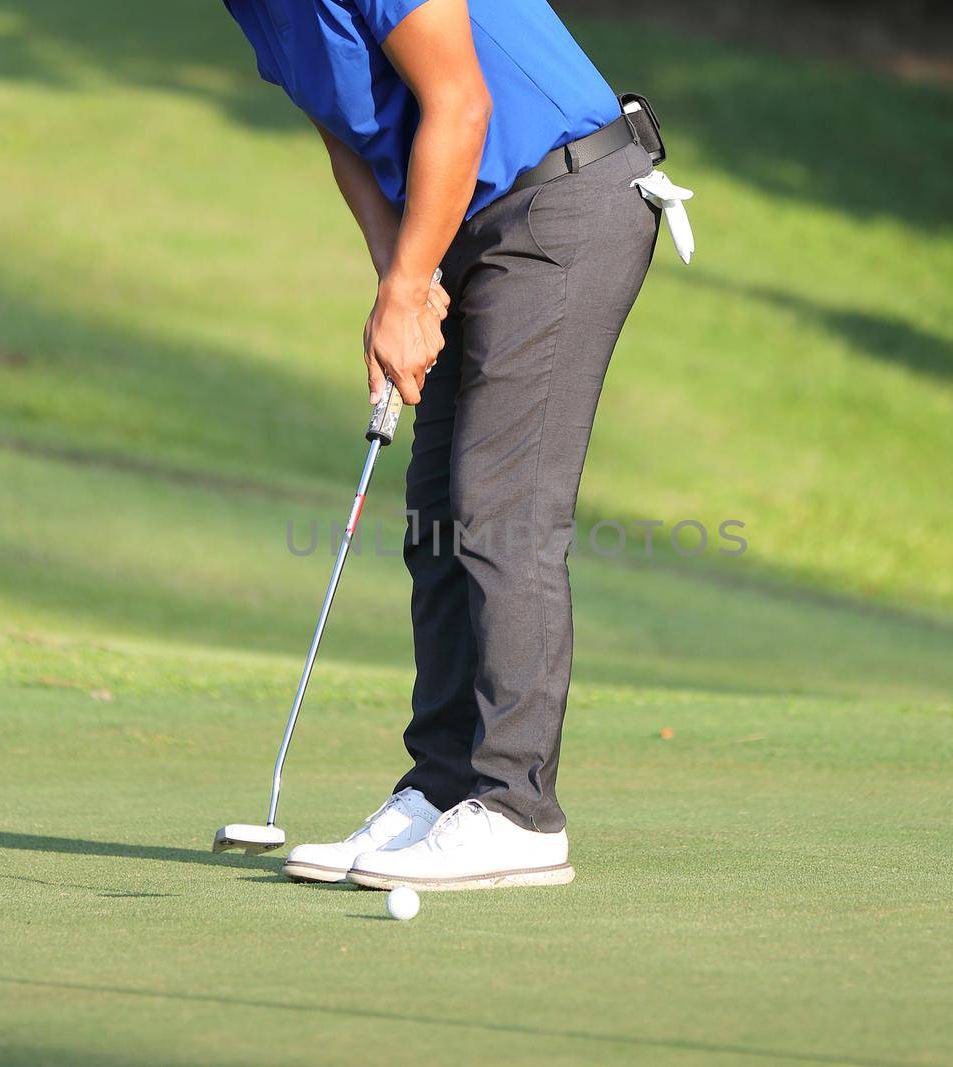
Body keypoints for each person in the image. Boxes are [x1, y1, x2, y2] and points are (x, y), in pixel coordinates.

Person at [222, 0, 660, 890]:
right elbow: (345, 133)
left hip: (564, 198)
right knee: (437, 513)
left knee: (501, 506)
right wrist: (400, 285)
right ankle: (444, 787)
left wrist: (411, 284)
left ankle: (517, 810)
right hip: (469, 215)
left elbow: (462, 104)